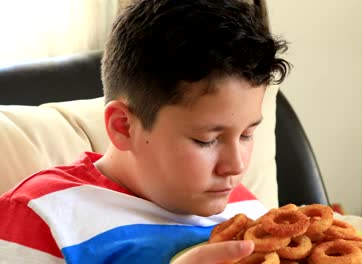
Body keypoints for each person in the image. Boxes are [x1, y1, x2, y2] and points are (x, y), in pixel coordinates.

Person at [0, 0, 290, 263]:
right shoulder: (41, 216)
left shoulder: (245, 206)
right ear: (123, 127)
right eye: (207, 140)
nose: (236, 166)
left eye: (246, 135)